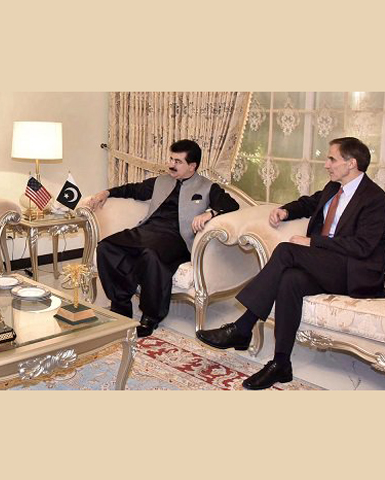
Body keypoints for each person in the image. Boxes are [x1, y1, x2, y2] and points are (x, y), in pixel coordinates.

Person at [196, 137, 385, 390]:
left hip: (353, 271)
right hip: (327, 264)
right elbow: (309, 202)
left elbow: (362, 247)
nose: (326, 164)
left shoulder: (375, 199)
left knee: (287, 250)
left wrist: (313, 242)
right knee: (290, 280)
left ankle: (242, 326)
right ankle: (281, 364)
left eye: (332, 158)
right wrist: (285, 211)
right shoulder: (333, 188)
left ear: (351, 163)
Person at [88, 139, 239, 337]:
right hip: (148, 231)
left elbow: (231, 205)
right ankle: (120, 306)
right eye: (170, 158)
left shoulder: (207, 187)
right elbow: (133, 189)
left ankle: (150, 317)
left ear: (192, 166)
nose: (170, 164)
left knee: (150, 255)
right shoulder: (162, 180)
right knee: (107, 247)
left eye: (177, 161)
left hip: (177, 239)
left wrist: (210, 213)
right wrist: (106, 192)